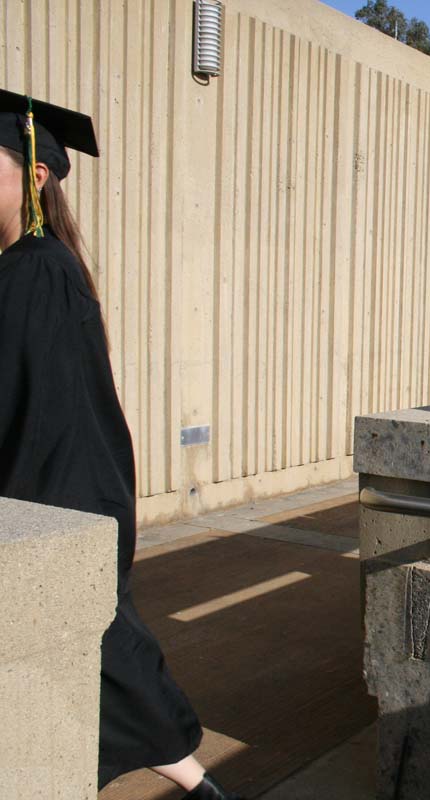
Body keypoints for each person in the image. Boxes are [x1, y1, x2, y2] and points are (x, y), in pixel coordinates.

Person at [0, 91, 240, 799]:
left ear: (35, 177)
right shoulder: (24, 269)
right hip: (48, 501)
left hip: (52, 498)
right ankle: (195, 782)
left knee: (90, 673)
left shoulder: (38, 272)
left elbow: (42, 417)